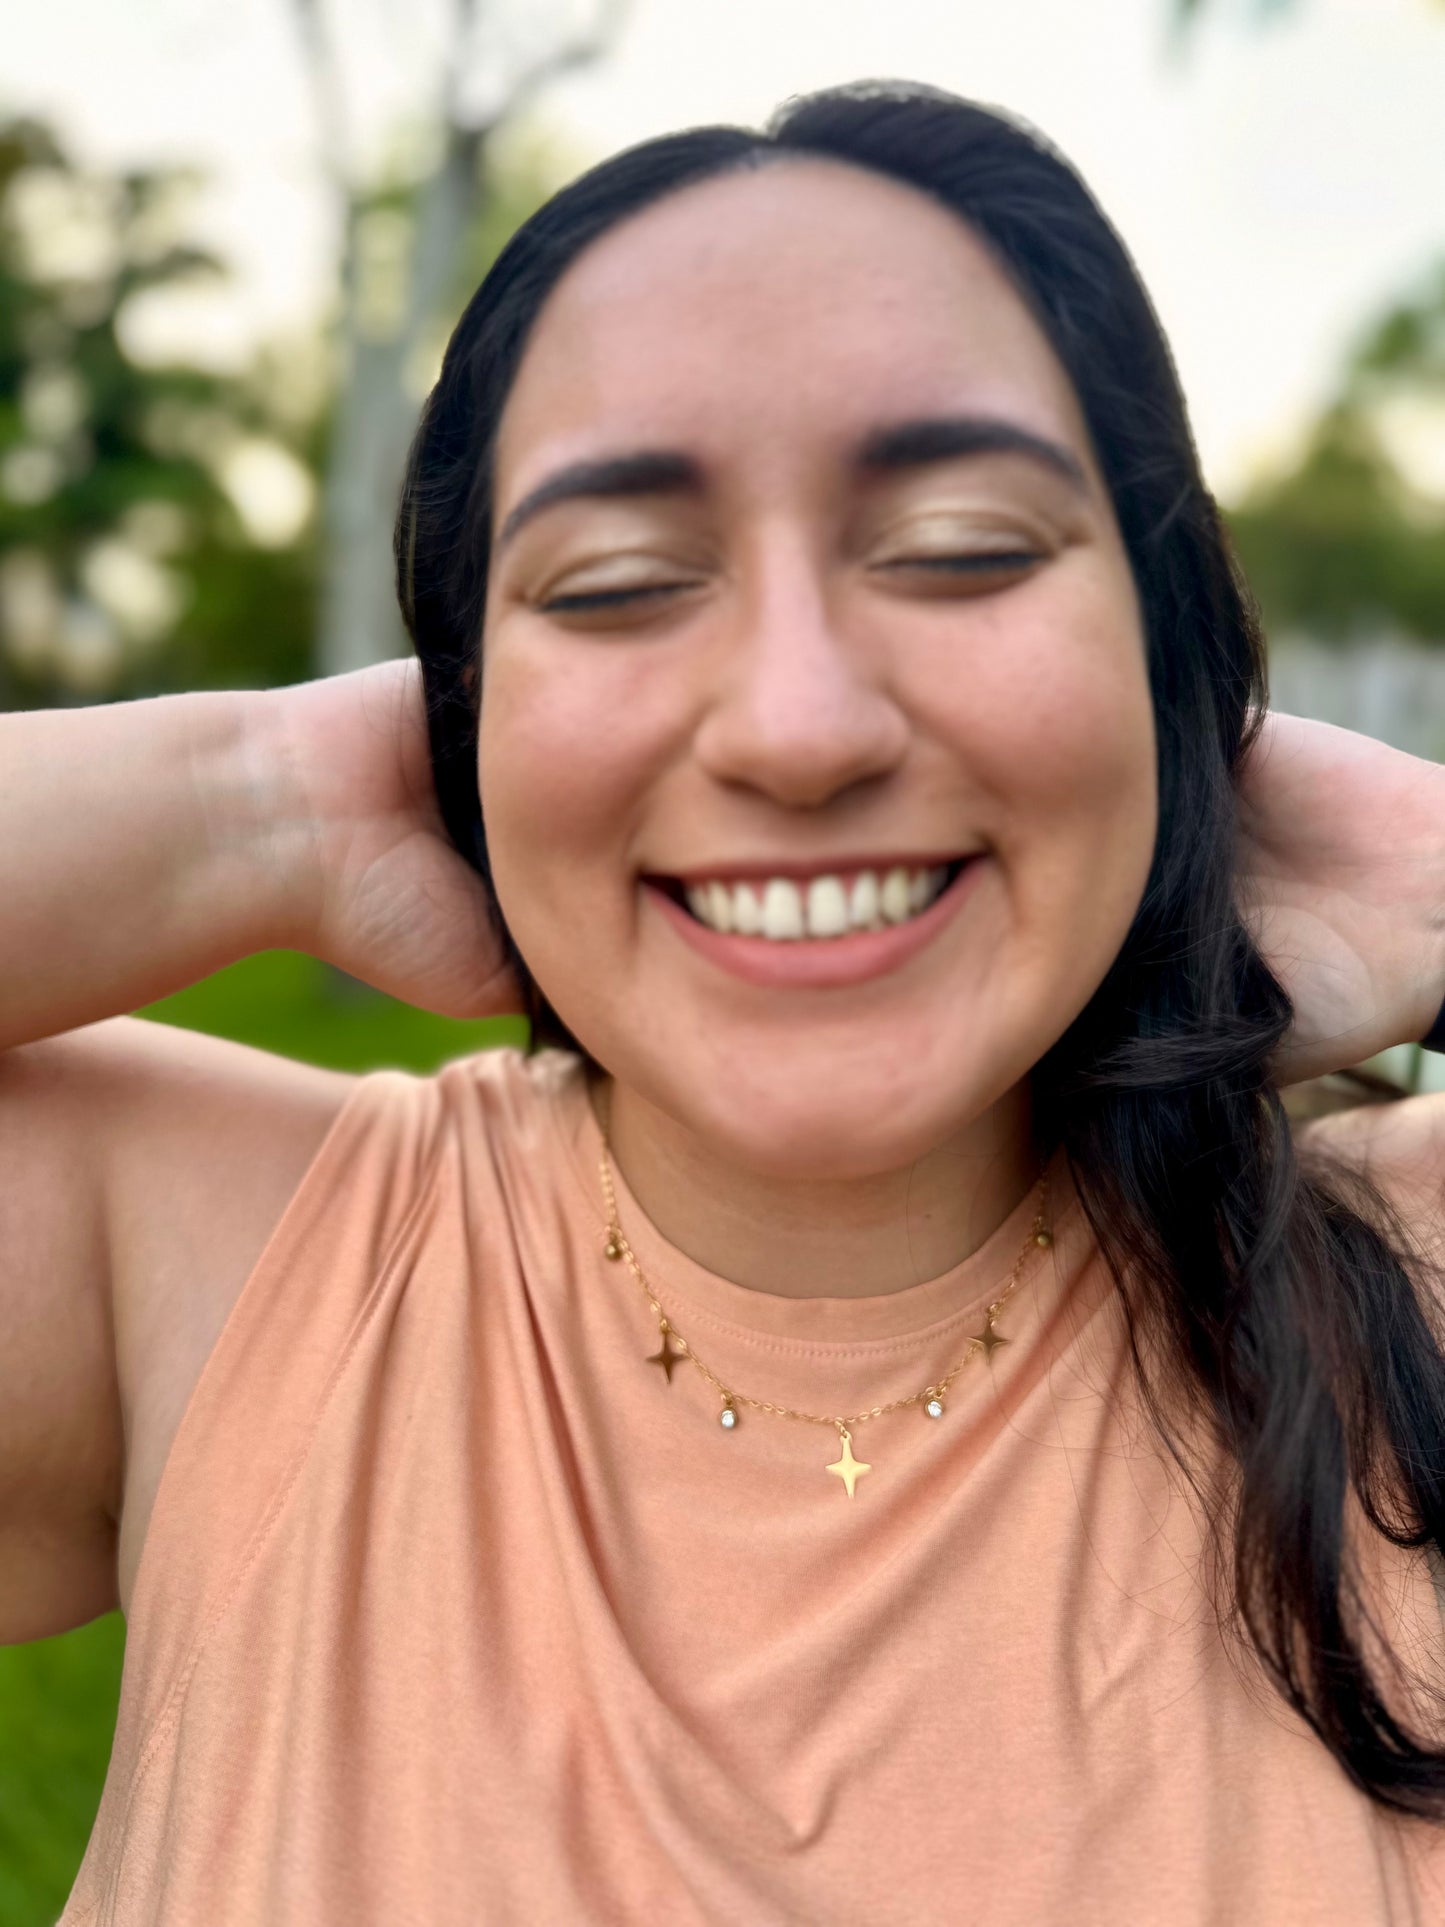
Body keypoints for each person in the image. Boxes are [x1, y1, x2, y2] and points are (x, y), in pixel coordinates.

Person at [4, 77, 1445, 1925]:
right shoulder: (206, 1275)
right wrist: (255, 806)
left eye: (960, 552)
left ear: (1161, 664)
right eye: (611, 585)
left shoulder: (1398, 1298)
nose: (795, 724)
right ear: (458, 722)